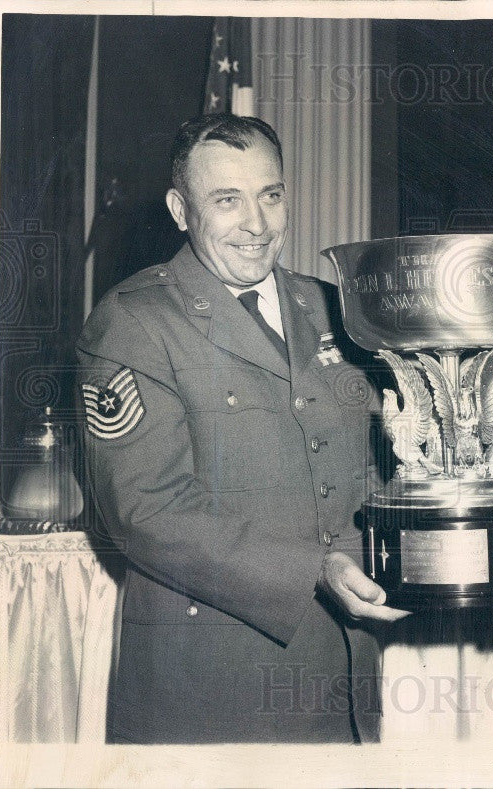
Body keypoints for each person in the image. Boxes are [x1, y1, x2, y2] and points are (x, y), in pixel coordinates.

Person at [78, 113, 406, 744]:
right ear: (180, 209)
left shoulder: (334, 310)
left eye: (270, 196)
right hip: (212, 688)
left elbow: (375, 461)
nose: (256, 225)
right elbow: (146, 512)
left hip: (344, 677)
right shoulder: (132, 322)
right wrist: (315, 568)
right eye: (226, 201)